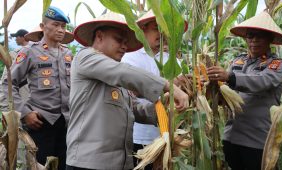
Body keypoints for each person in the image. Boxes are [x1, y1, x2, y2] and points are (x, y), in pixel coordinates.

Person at [66, 12, 189, 170]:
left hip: (120, 163)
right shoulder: (85, 57)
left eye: (125, 42)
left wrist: (162, 106)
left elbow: (134, 109)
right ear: (99, 36)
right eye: (119, 40)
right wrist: (169, 87)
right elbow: (123, 72)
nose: (124, 46)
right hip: (89, 164)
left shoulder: (116, 75)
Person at [206, 12, 282, 170]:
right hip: (231, 137)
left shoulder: (277, 65)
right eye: (250, 36)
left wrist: (229, 77)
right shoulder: (238, 61)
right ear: (245, 38)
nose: (254, 40)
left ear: (270, 39)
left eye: (260, 36)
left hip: (257, 141)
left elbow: (260, 82)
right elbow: (227, 90)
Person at [3, 6, 74, 169]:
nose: (60, 30)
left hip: (67, 124)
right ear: (43, 27)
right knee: (40, 165)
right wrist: (25, 113)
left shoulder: (68, 54)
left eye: (63, 26)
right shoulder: (30, 52)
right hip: (41, 122)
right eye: (55, 25)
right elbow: (7, 83)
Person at [121, 9, 187, 169]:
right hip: (140, 134)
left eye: (166, 29)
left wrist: (186, 84)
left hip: (169, 132)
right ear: (143, 29)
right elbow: (131, 90)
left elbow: (180, 87)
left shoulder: (173, 59)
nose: (163, 33)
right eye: (157, 28)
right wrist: (168, 88)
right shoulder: (130, 57)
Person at [0, 29, 30, 111]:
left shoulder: (15, 55)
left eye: (17, 37)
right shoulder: (40, 50)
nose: (15, 39)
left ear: (23, 37)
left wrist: (4, 106)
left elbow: (6, 81)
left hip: (23, 100)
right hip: (25, 101)